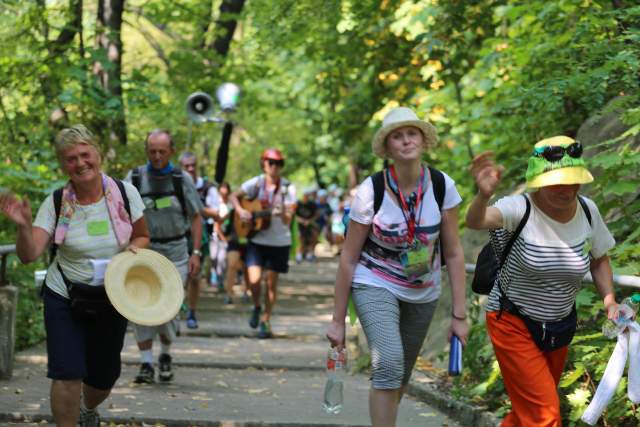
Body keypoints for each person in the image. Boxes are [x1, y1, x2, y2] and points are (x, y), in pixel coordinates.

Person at [326, 107, 468, 427]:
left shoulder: (443, 187)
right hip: (374, 280)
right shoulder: (371, 190)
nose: (406, 141)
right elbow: (348, 257)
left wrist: (460, 315)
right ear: (388, 147)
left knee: (399, 375)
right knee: (388, 363)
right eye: (397, 136)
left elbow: (455, 253)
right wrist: (337, 321)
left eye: (412, 133)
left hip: (424, 289)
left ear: (423, 139)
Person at [0, 125, 149, 427]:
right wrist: (24, 226)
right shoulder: (56, 203)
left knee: (104, 377)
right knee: (66, 373)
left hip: (114, 295)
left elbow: (143, 236)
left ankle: (88, 410)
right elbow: (29, 255)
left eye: (84, 154)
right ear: (62, 165)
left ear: (97, 155)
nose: (80, 163)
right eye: (71, 159)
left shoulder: (124, 192)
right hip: (65, 295)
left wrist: (131, 253)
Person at [466, 136, 620, 426]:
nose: (568, 190)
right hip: (512, 320)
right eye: (558, 183)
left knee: (529, 410)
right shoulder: (517, 208)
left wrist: (609, 299)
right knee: (544, 415)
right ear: (538, 181)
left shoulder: (588, 210)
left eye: (573, 181)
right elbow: (476, 221)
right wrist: (483, 195)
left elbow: (599, 258)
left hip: (558, 324)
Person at [126, 130, 203, 383]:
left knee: (168, 307)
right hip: (144, 254)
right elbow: (121, 214)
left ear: (171, 150)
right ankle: (146, 363)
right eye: (152, 151)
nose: (157, 156)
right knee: (142, 305)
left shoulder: (182, 179)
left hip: (176, 254)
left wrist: (196, 252)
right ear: (146, 150)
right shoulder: (135, 178)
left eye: (162, 151)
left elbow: (195, 216)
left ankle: (166, 354)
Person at [230, 148, 296, 339]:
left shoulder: (287, 188)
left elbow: (287, 219)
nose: (274, 167)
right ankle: (257, 306)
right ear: (264, 163)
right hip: (257, 239)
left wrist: (283, 212)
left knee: (271, 283)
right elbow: (234, 196)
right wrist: (241, 211)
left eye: (278, 163)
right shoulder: (256, 183)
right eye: (270, 162)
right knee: (254, 279)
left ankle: (266, 320)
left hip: (279, 242)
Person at [179, 151, 220, 328]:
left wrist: (195, 205)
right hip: (176, 236)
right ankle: (176, 309)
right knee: (178, 277)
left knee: (194, 276)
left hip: (199, 237)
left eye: (193, 165)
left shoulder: (208, 187)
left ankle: (192, 313)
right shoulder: (174, 184)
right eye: (186, 166)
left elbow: (217, 213)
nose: (190, 169)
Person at [295, 188, 319, 263]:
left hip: (310, 224)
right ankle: (298, 255)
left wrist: (309, 221)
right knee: (301, 240)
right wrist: (301, 220)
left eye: (307, 196)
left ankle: (310, 255)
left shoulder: (312, 204)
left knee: (312, 238)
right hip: (300, 225)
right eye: (305, 195)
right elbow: (294, 214)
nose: (306, 197)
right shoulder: (298, 203)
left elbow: (316, 214)